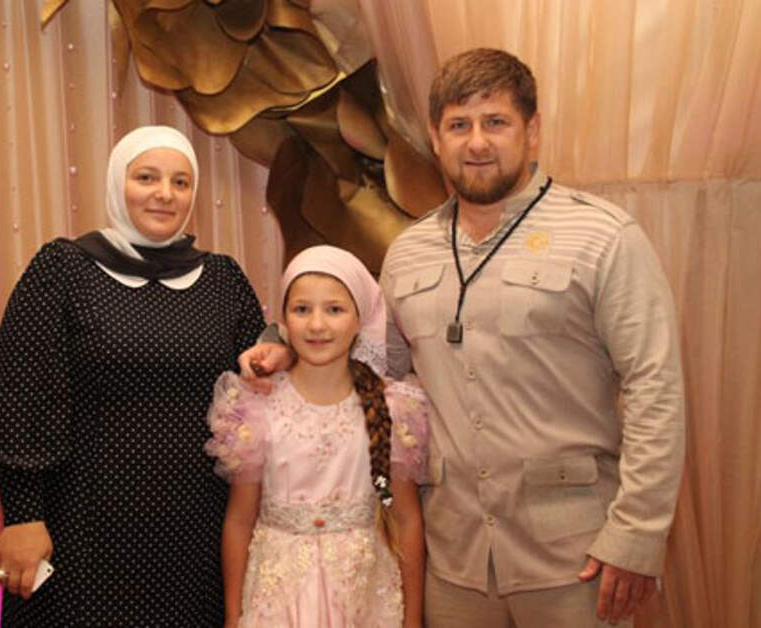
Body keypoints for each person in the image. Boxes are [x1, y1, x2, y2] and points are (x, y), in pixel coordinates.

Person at [241, 49, 685, 627]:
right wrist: (280, 342)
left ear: (532, 131)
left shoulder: (603, 236)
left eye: (495, 122)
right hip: (456, 561)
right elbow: (371, 359)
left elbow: (656, 388)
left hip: (575, 557)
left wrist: (637, 534)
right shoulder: (409, 252)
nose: (477, 142)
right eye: (459, 125)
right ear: (435, 138)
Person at [0, 126, 266, 625]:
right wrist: (22, 515)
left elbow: (259, 392)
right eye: (146, 177)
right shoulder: (63, 270)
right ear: (116, 183)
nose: (164, 194)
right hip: (79, 531)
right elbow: (20, 397)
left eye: (180, 182)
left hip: (194, 537)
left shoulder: (223, 280)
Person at [209, 245, 429, 627]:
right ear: (283, 319)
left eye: (334, 309)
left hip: (363, 597)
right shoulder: (257, 408)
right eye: (301, 309)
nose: (316, 325)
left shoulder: (392, 409)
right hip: (277, 599)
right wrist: (233, 616)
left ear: (360, 319)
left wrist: (412, 620)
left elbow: (406, 519)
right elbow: (240, 521)